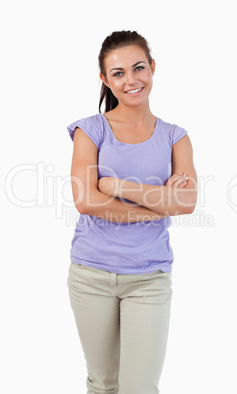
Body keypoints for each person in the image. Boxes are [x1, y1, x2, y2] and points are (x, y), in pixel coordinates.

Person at [66, 30, 198, 394]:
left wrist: (117, 187)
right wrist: (157, 205)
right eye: (119, 73)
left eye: (139, 68)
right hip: (91, 274)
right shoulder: (90, 131)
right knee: (104, 382)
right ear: (105, 80)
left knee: (140, 387)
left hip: (149, 277)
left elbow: (186, 202)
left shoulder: (175, 137)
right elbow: (85, 200)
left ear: (152, 68)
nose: (131, 80)